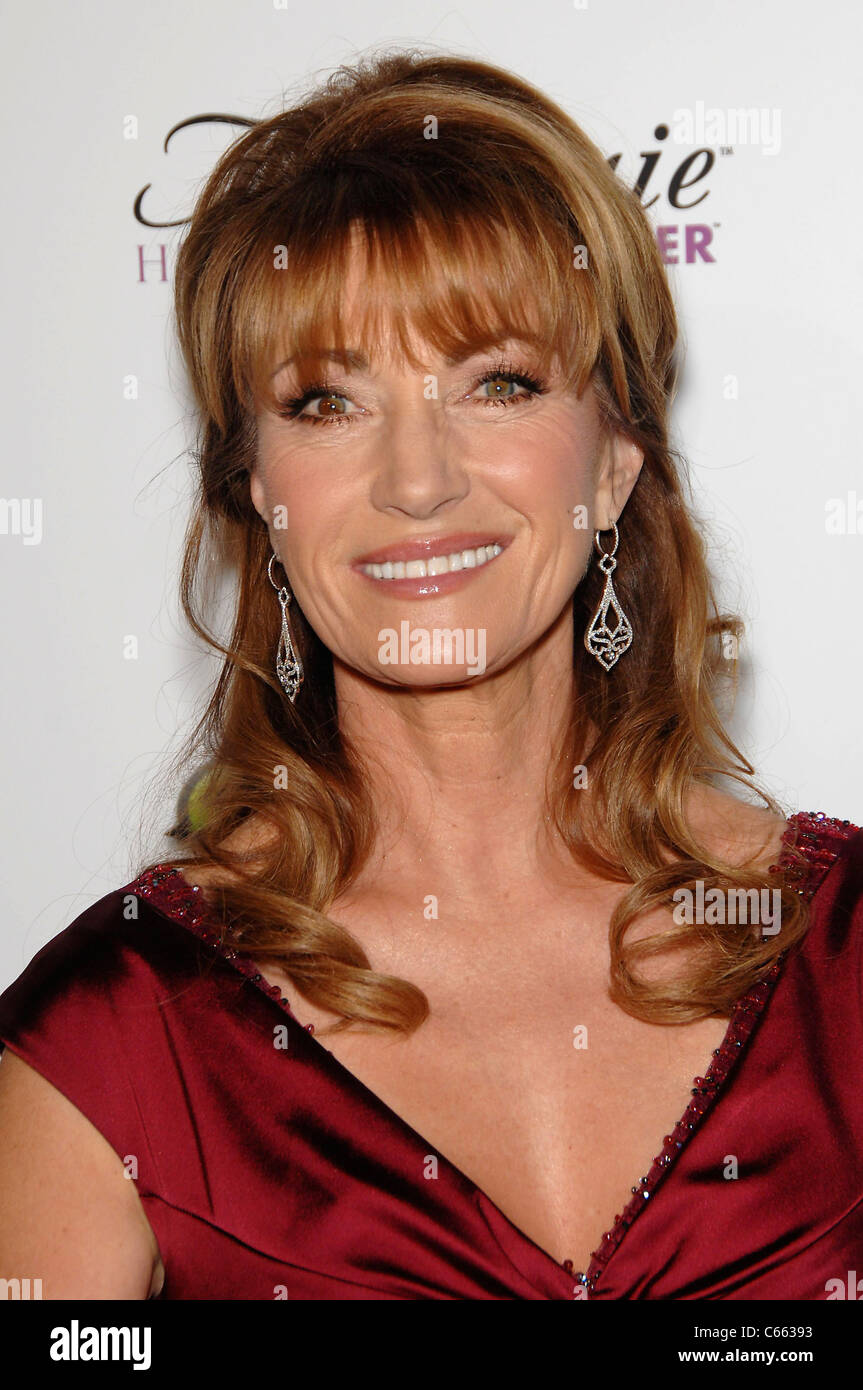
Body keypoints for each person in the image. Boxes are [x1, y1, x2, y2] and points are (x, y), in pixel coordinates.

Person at [1, 49, 860, 1302]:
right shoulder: (116, 1039)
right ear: (258, 489)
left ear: (615, 461)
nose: (415, 480)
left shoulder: (840, 955)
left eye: (496, 382)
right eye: (326, 402)